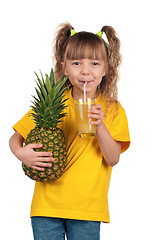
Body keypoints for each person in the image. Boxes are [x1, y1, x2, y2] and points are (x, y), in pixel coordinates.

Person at [9, 22, 130, 240]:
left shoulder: (112, 110)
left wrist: (100, 125)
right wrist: (20, 153)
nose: (85, 71)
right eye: (76, 63)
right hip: (46, 207)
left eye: (94, 63)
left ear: (105, 69)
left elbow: (112, 159)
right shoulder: (52, 103)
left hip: (87, 209)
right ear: (64, 67)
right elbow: (15, 137)